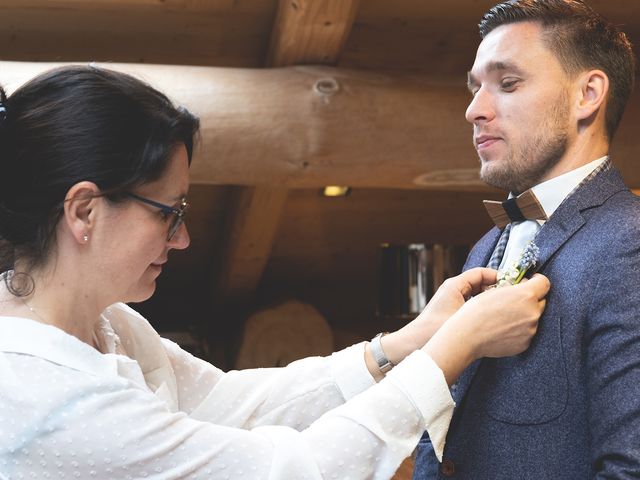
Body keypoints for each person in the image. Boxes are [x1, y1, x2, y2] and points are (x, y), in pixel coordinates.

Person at [0, 65, 549, 480]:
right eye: (168, 214)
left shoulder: (109, 324)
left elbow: (231, 404)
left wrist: (402, 346)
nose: (183, 238)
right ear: (83, 211)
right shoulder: (41, 396)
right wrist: (453, 349)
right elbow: (293, 470)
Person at [413, 0, 639, 479]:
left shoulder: (630, 244)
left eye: (508, 83)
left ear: (588, 95)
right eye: (475, 89)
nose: (474, 110)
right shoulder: (484, 246)